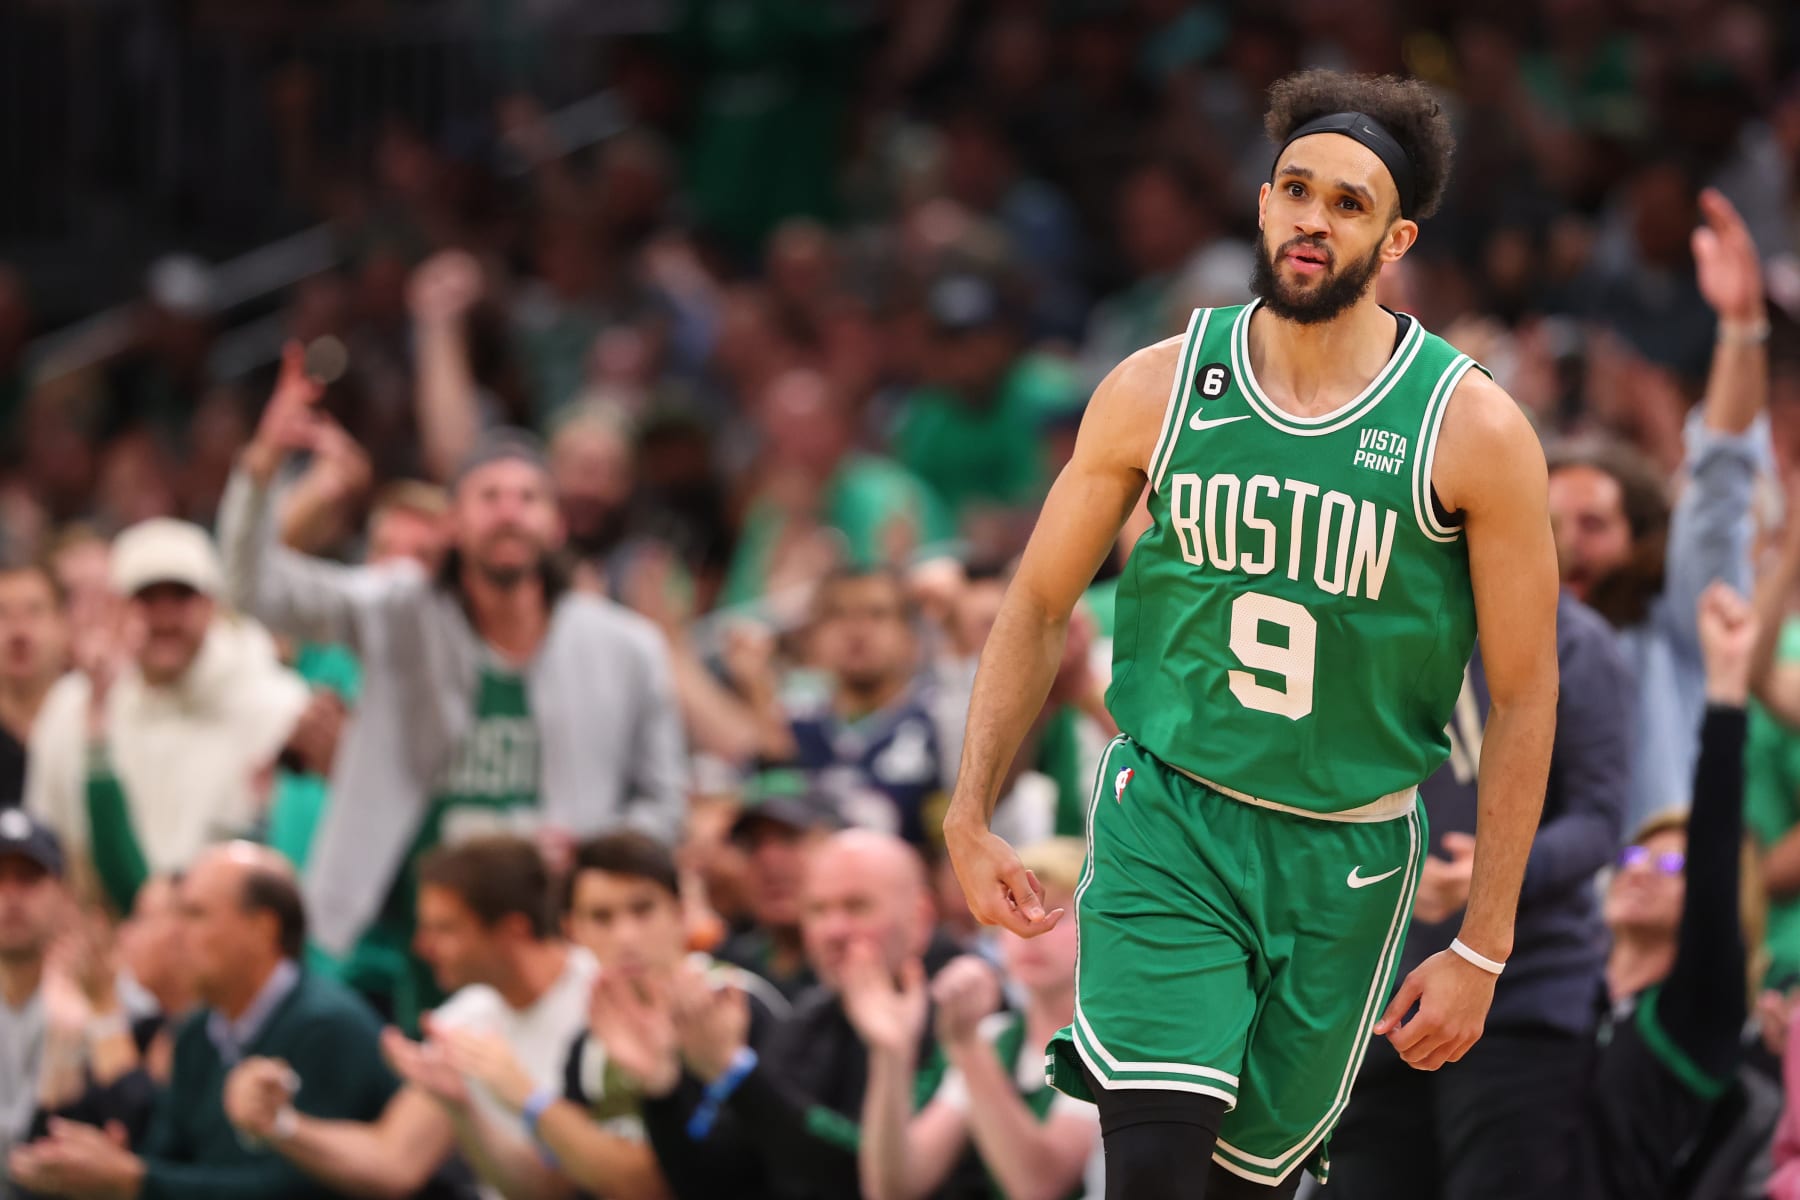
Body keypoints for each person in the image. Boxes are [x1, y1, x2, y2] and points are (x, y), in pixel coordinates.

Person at [945, 69, 1561, 1199]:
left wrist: (1483, 943)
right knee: (1157, 1169)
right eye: (1296, 191)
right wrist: (969, 806)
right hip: (1170, 822)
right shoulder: (1157, 385)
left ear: (1397, 238)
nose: (1313, 221)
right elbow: (1035, 605)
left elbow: (1523, 693)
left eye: (1349, 204)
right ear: (1265, 203)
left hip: (1347, 857)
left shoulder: (1470, 427)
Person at [216, 348, 686, 1024]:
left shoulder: (625, 648)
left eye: (528, 498)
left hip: (568, 938)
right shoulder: (398, 611)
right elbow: (252, 589)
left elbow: (664, 803)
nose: (509, 513)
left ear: (555, 523)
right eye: (489, 497)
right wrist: (261, 468)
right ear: (453, 522)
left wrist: (593, 848)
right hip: (416, 940)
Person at [1327, 590, 1632, 1199]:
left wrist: (1492, 879)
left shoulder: (1575, 641)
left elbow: (1600, 821)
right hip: (1384, 999)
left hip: (1522, 997)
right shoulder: (1384, 623)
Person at [381, 831, 787, 1200]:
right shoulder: (590, 1042)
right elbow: (555, 1187)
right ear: (572, 930)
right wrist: (463, 1111)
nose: (625, 937)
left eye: (642, 909)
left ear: (681, 912)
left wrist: (530, 1097)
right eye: (601, 917)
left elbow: (658, 1187)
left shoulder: (742, 1004)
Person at [1544, 187, 1769, 827]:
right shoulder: (1494, 645)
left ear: (1641, 539)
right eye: (1550, 527)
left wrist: (1741, 326)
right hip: (1540, 915)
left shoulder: (1674, 624)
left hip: (1665, 903)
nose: (1566, 545)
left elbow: (1720, 474)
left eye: (1593, 525)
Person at [8, 842, 400, 1200]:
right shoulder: (200, 1032)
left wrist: (134, 1179)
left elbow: (297, 1189)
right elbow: (166, 1156)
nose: (175, 933)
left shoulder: (325, 1028)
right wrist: (97, 1164)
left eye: (194, 914)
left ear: (262, 929)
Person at [609, 829, 985, 1200]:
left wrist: (737, 1075)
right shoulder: (807, 1021)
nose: (834, 930)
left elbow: (864, 1175)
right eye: (818, 910)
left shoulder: (965, 1010)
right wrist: (662, 1093)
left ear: (919, 918)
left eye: (857, 906)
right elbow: (723, 1182)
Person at [223, 836, 596, 1200]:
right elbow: (394, 1161)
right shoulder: (466, 1019)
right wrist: (280, 1123)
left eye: (445, 928)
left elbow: (565, 1187)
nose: (422, 945)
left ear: (514, 930)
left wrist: (513, 1100)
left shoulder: (601, 1006)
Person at [25, 519, 310, 913]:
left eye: (181, 597)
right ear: (117, 607)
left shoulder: (276, 706)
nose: (165, 617)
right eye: (147, 598)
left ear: (212, 604)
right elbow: (49, 843)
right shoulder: (72, 708)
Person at [1575, 583, 1755, 1198]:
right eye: (1635, 853)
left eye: (1671, 867)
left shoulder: (1695, 1013)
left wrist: (1726, 689)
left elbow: (1714, 856)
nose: (1643, 870)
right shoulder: (1565, 991)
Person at [853, 836, 1101, 1200]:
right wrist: (890, 1053)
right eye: (1013, 912)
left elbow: (1040, 1186)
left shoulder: (1111, 1043)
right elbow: (895, 1187)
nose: (1032, 929)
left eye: (1058, 914)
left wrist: (966, 1045)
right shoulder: (995, 1036)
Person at [781, 567, 953, 848]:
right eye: (837, 615)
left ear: (911, 636)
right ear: (812, 637)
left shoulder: (943, 719)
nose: (856, 630)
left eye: (877, 614)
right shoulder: (792, 724)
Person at [714, 770, 843, 1001]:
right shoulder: (727, 974)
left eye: (788, 838)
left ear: (832, 843)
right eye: (752, 845)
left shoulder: (863, 964)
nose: (769, 861)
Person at [0, 808, 64, 1189]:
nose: (10, 896)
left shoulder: (109, 1003)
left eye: (28, 878)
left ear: (63, 891)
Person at [0, 563, 67, 809]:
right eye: (2, 613)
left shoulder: (92, 721)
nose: (19, 631)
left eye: (34, 612)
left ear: (64, 624)